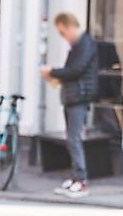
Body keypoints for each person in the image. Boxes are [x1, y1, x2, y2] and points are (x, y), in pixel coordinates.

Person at [40, 12, 99, 199]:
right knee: (72, 138)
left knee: (74, 139)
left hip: (78, 98)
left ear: (69, 27)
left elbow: (75, 70)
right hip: (74, 97)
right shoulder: (79, 46)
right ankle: (76, 178)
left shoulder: (85, 44)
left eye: (62, 32)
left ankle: (81, 181)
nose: (62, 36)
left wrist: (53, 72)